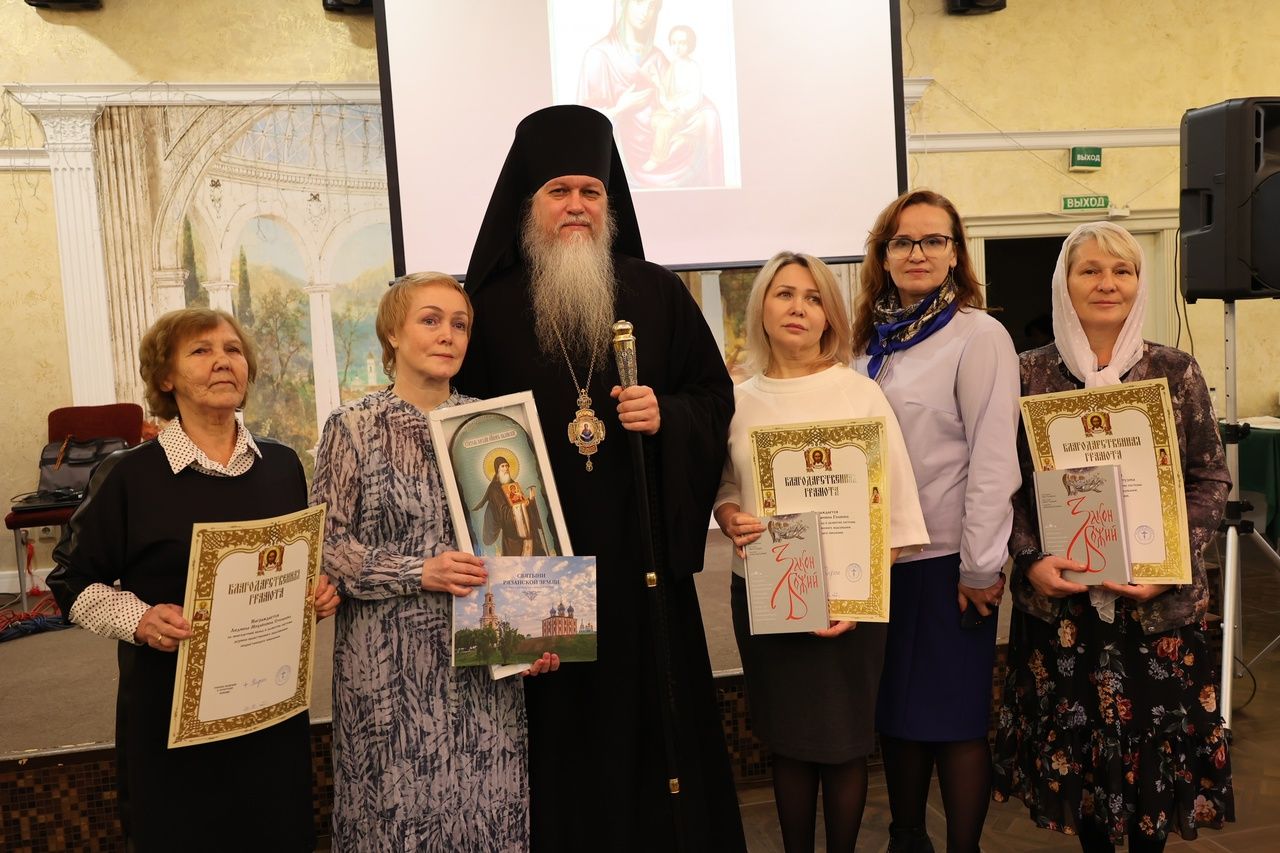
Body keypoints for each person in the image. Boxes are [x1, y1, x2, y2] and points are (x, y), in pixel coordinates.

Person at [458, 104, 745, 852]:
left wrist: (667, 414)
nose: (577, 205)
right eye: (559, 191)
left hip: (637, 555)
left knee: (652, 732)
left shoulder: (657, 293)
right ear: (528, 207)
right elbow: (458, 435)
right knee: (560, 741)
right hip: (534, 570)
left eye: (591, 191)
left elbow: (713, 396)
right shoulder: (486, 310)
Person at [47, 307, 340, 852]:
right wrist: (139, 619)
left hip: (269, 709)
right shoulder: (130, 475)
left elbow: (289, 565)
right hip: (172, 714)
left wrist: (313, 591)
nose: (223, 361)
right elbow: (70, 580)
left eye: (233, 350)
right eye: (201, 351)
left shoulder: (282, 466)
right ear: (166, 377)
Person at [992, 222, 1234, 851]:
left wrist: (1168, 563)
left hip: (1156, 610)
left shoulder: (1175, 371)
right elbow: (1003, 486)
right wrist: (1029, 559)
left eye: (1122, 270)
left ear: (1138, 282)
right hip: (1064, 610)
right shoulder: (1025, 375)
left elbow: (1210, 477)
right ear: (1064, 283)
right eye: (1090, 270)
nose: (1107, 283)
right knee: (1084, 767)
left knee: (1155, 762)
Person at [311, 272, 558, 851]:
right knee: (397, 825)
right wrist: (418, 571)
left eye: (460, 324)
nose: (448, 334)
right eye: (430, 320)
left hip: (482, 669)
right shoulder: (352, 426)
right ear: (392, 333)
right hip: (389, 669)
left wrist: (533, 633)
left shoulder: (493, 423)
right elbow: (328, 547)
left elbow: (523, 540)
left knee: (487, 815)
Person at [713, 251, 929, 852]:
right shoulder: (735, 399)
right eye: (784, 294)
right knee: (786, 743)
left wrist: (857, 598)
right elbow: (727, 487)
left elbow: (897, 510)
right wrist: (728, 516)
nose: (798, 308)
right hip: (766, 592)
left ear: (830, 315)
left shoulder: (860, 394)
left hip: (850, 600)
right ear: (762, 307)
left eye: (813, 298)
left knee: (843, 745)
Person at [852, 189, 1022, 853]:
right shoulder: (868, 341)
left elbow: (993, 459)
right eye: (902, 241)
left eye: (933, 240)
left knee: (953, 720)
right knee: (897, 715)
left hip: (948, 560)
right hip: (880, 563)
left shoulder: (978, 336)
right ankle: (906, 839)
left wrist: (981, 565)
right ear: (883, 255)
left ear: (956, 254)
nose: (917, 252)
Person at [577, 0, 724, 188]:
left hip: (666, 140)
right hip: (619, 167)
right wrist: (620, 108)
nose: (645, 11)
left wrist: (702, 117)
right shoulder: (599, 56)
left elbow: (679, 96)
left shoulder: (658, 57)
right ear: (624, 5)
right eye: (639, 2)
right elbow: (583, 124)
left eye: (652, 6)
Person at [473, 455, 547, 556]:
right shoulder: (494, 489)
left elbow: (523, 504)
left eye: (507, 465)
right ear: (497, 469)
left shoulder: (513, 484)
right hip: (512, 537)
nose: (506, 468)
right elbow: (503, 513)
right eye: (502, 466)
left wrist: (530, 501)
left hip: (527, 531)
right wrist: (522, 506)